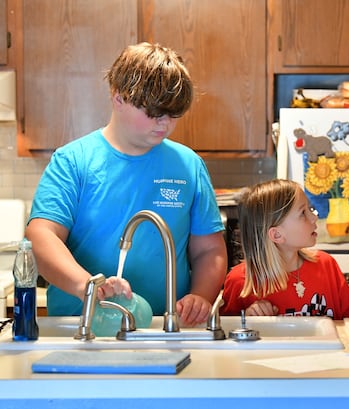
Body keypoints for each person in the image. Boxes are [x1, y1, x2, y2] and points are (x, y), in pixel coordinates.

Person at [25, 42, 228, 326]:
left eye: (173, 115)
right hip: (82, 326)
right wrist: (88, 287)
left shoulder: (188, 165)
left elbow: (210, 250)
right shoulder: (73, 161)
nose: (164, 124)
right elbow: (42, 236)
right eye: (154, 113)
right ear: (117, 97)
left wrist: (201, 296)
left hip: (165, 325)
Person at [220, 179, 349, 319]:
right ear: (276, 235)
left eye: (311, 209)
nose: (314, 218)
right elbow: (227, 339)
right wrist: (249, 319)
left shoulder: (326, 265)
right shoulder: (241, 281)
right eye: (303, 213)